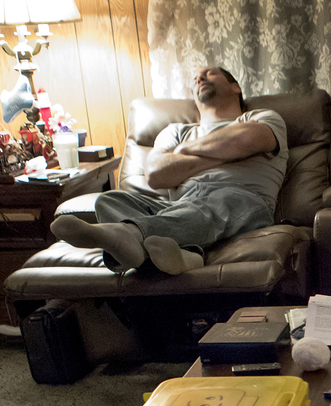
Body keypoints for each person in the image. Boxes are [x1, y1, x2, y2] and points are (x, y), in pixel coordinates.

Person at [52, 66, 288, 275]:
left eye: (210, 73)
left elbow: (244, 141)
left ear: (235, 86)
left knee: (219, 200)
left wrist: (183, 152)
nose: (200, 79)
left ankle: (131, 235)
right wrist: (224, 157)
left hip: (244, 200)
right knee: (110, 201)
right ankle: (188, 257)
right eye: (195, 78)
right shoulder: (175, 131)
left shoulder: (261, 117)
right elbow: (156, 174)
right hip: (180, 206)